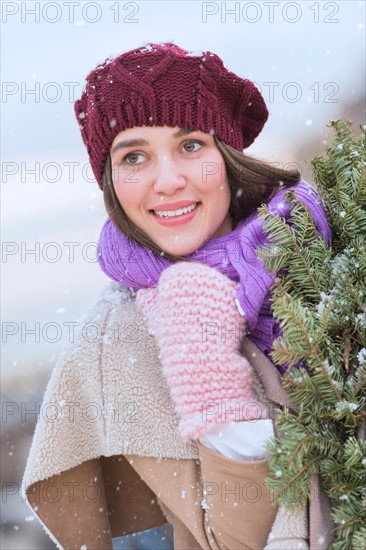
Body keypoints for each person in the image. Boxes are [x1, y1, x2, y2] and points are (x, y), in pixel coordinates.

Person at [23, 42, 334, 549]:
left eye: (190, 146)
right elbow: (234, 541)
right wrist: (214, 387)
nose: (167, 181)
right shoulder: (119, 338)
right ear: (112, 182)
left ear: (227, 157)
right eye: (134, 156)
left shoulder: (316, 247)